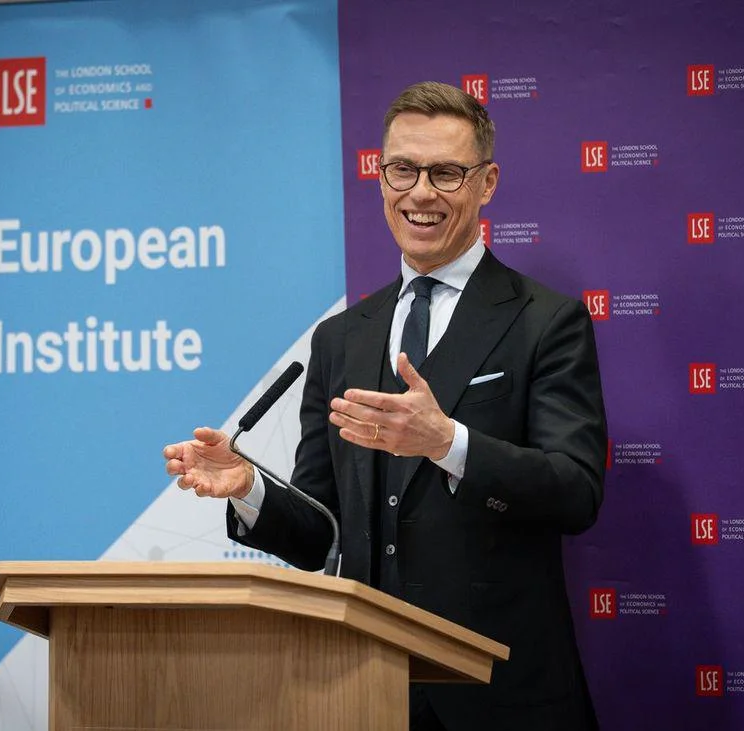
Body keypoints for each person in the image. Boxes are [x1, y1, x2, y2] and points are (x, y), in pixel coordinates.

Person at [163, 81, 607, 731]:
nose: (420, 192)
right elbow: (323, 535)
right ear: (379, 176)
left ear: (487, 184)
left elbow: (576, 491)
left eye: (447, 172)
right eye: (402, 169)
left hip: (503, 694)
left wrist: (448, 442)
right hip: (367, 692)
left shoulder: (547, 320)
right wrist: (250, 487)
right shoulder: (343, 337)